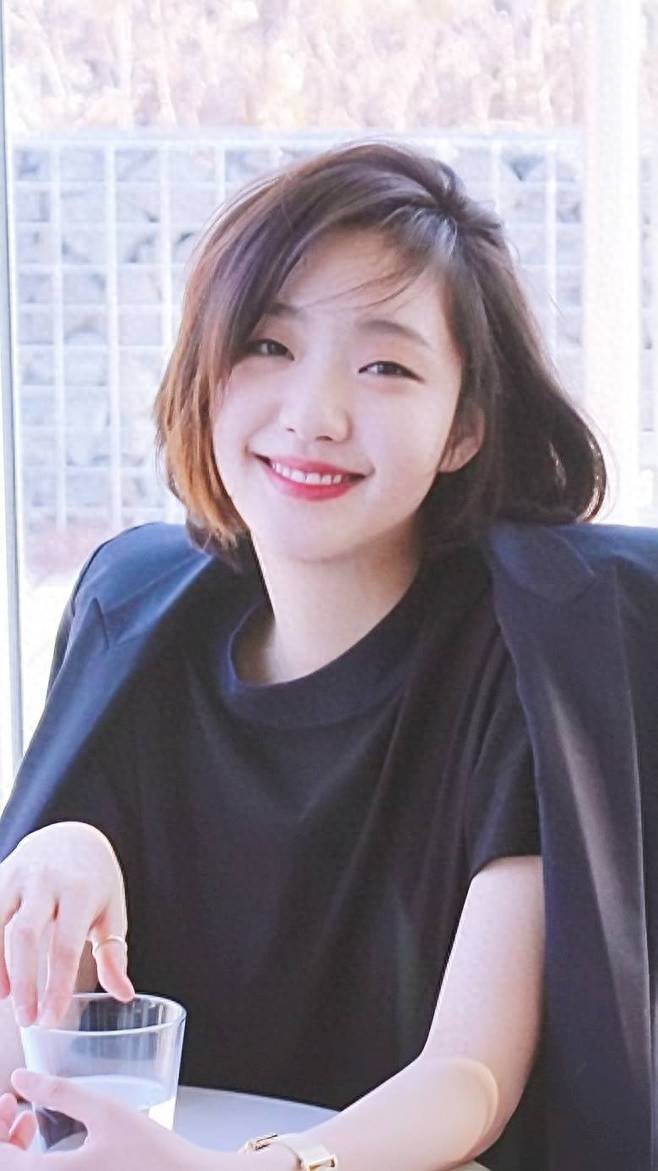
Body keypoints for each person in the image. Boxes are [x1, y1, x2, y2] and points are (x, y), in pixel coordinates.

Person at [0, 138, 655, 1171]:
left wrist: (264, 1170)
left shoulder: (533, 646)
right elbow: (48, 1044)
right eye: (268, 345)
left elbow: (471, 1076)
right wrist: (56, 849)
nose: (314, 415)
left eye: (386, 366)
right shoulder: (134, 610)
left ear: (464, 426)